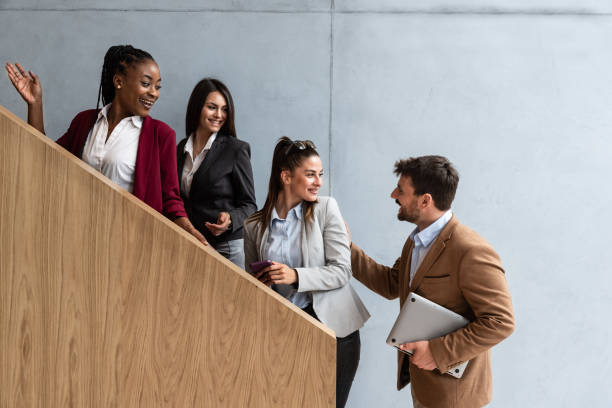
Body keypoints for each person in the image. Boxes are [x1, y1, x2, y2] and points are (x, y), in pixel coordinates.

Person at [349, 155, 515, 408]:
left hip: (456, 396)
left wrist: (438, 352)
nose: (393, 194)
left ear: (425, 200)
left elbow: (501, 322)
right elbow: (391, 284)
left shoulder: (470, 250)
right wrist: (344, 247)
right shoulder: (416, 241)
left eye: (401, 190)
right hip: (425, 387)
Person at [5, 45, 205, 244]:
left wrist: (189, 228)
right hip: (76, 234)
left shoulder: (161, 135)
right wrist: (35, 104)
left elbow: (170, 199)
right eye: (146, 84)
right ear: (119, 81)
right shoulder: (84, 122)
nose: (154, 93)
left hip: (128, 242)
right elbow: (47, 160)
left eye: (157, 86)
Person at [243, 137, 370, 408]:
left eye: (320, 175)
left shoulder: (326, 209)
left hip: (336, 332)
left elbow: (341, 271)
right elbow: (252, 285)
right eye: (310, 174)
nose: (318, 182)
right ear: (286, 176)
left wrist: (295, 276)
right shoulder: (254, 225)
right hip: (284, 331)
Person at [177, 78, 256, 268]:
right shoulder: (180, 148)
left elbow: (250, 205)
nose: (219, 115)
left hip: (226, 247)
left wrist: (229, 220)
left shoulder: (236, 150)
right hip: (192, 244)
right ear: (197, 108)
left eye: (224, 109)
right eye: (212, 107)